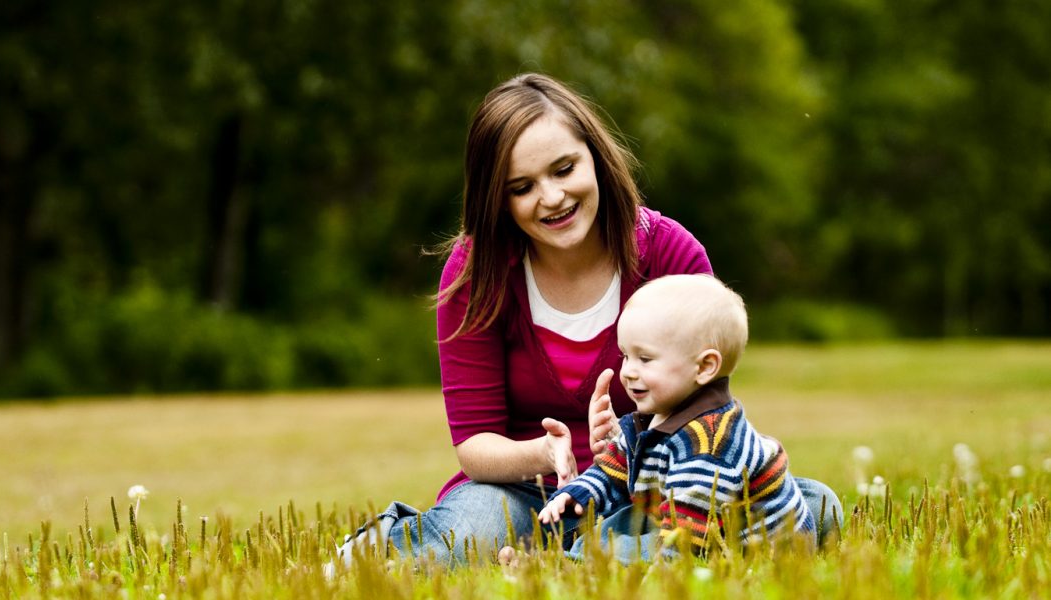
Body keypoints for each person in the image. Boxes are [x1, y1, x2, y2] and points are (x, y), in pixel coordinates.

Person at [330, 72, 840, 570]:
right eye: (522, 187)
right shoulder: (475, 274)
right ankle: (382, 551)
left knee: (813, 506)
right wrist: (547, 453)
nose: (552, 198)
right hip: (524, 494)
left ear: (595, 157)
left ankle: (560, 561)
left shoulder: (669, 252)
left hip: (651, 491)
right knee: (472, 527)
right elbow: (475, 446)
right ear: (497, 199)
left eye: (563, 168)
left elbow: (705, 397)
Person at [537, 274, 816, 563]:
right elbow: (614, 468)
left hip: (742, 547)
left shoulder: (707, 444)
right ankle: (572, 553)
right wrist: (579, 493)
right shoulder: (653, 417)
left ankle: (573, 562)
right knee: (613, 527)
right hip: (682, 519)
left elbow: (684, 545)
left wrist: (651, 565)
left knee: (622, 546)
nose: (629, 371)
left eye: (645, 359)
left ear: (705, 367)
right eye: (625, 356)